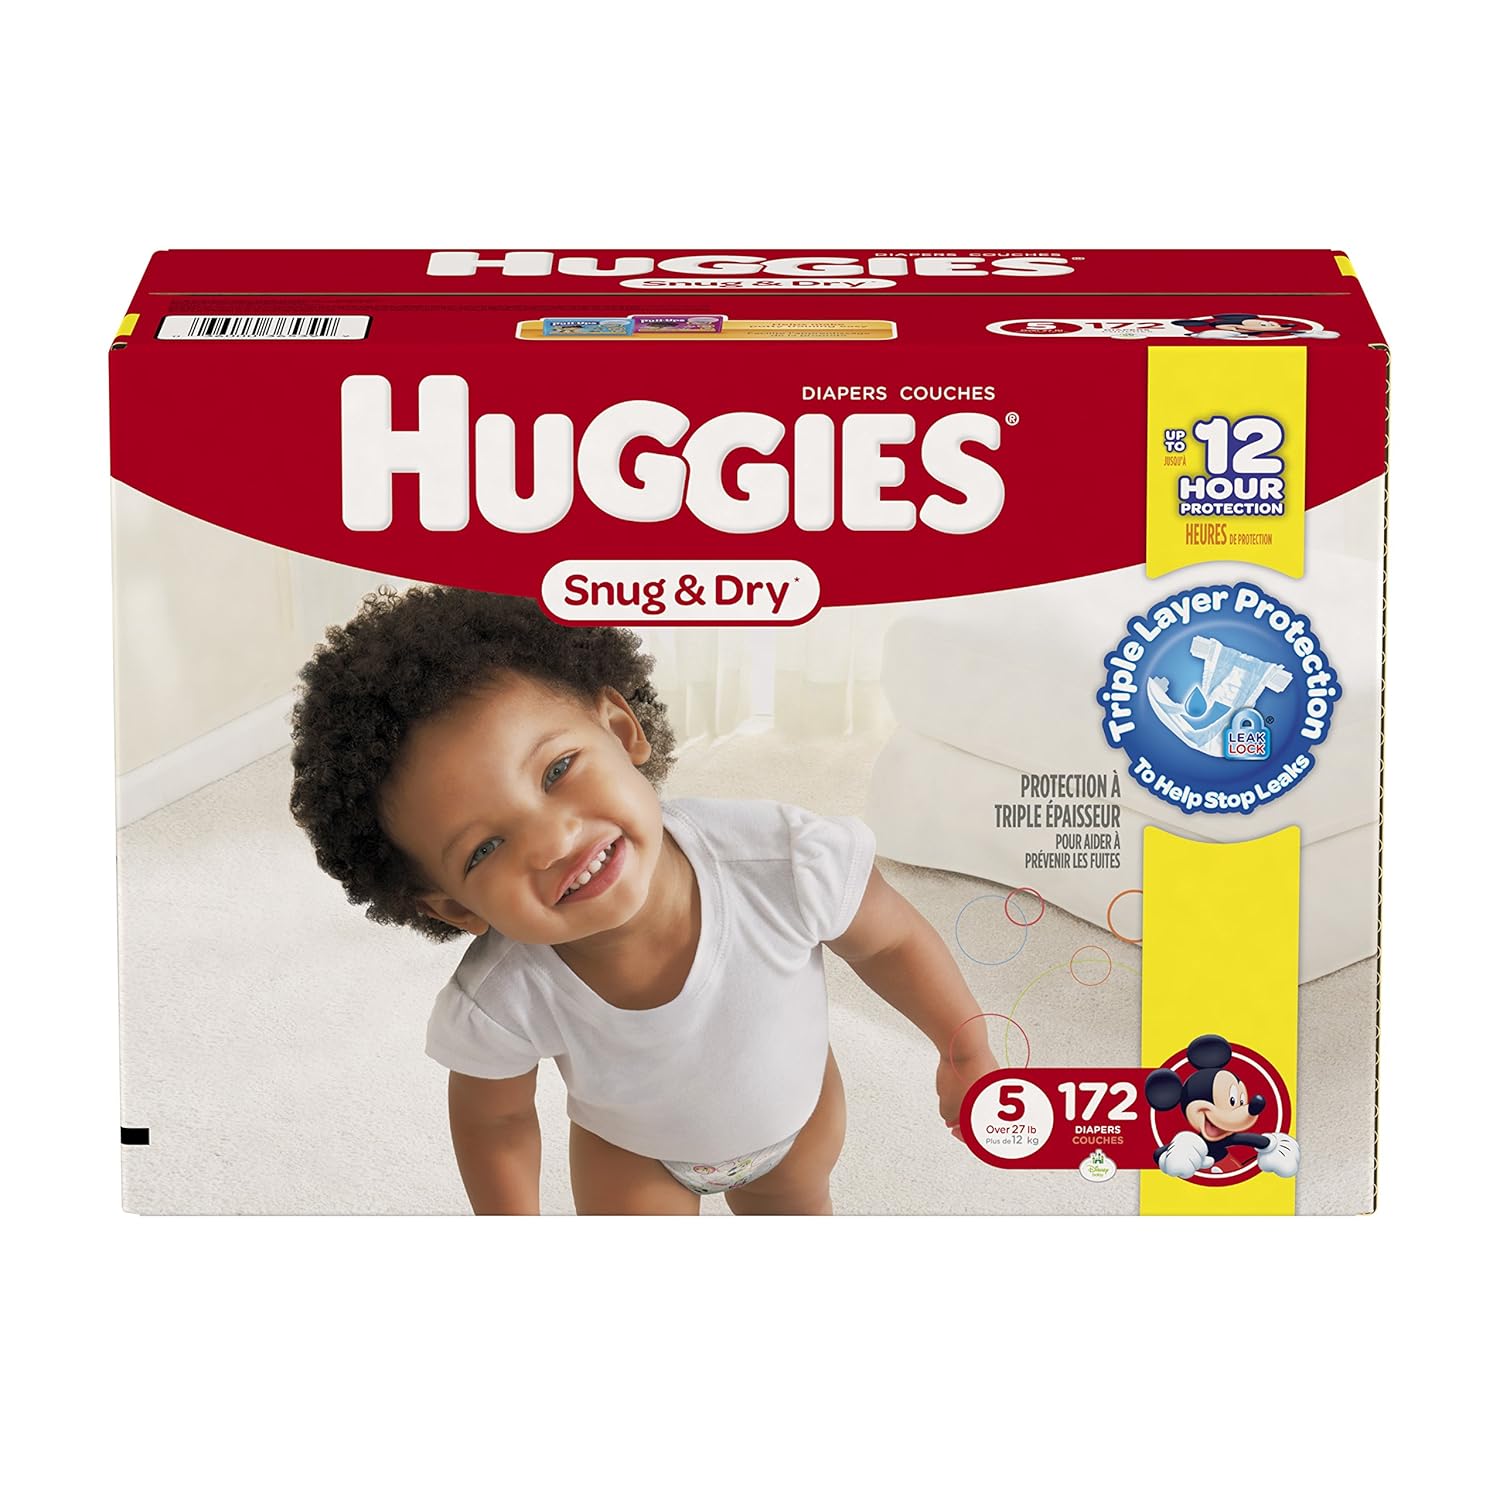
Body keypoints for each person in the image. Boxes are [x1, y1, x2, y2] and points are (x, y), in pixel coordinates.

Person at [290, 587, 997, 1214]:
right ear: (455, 907)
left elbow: (890, 941)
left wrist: (963, 1047)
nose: (553, 840)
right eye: (485, 848)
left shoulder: (781, 862)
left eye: (557, 771)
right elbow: (495, 1122)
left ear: (622, 732)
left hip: (797, 1125)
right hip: (633, 1159)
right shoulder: (504, 995)